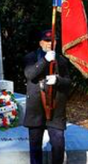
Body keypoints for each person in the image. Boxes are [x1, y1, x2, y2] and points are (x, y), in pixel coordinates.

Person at [23, 29, 71, 164]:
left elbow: (68, 82)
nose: (50, 44)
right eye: (47, 41)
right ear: (40, 42)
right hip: (36, 108)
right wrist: (45, 60)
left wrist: (58, 80)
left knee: (58, 144)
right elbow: (30, 74)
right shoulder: (31, 57)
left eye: (53, 41)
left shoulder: (61, 60)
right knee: (35, 146)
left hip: (56, 109)